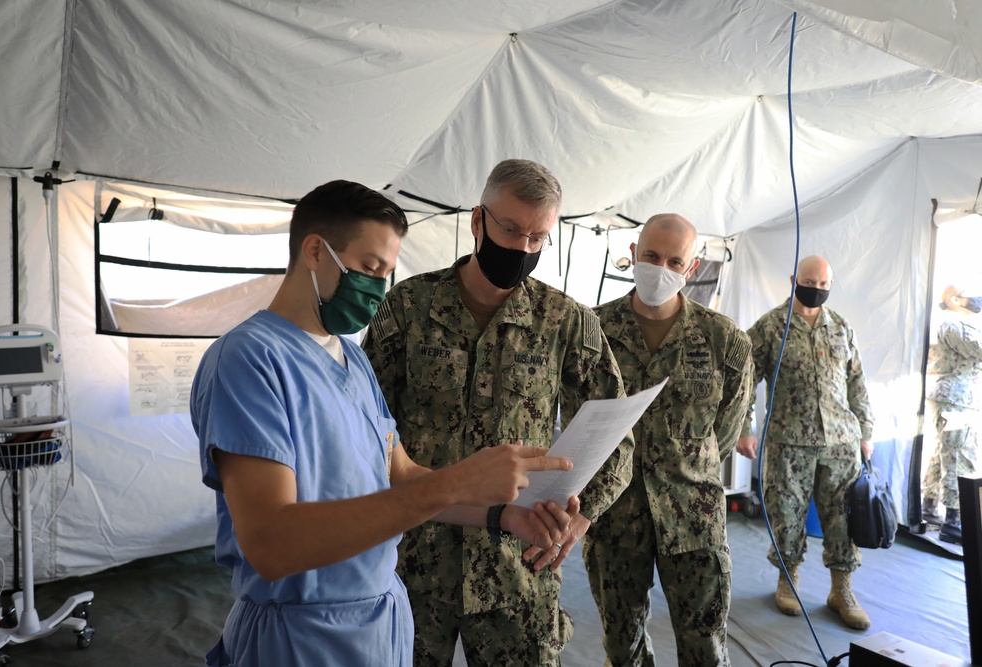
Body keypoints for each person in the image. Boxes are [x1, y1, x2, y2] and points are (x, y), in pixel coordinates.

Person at [190, 180, 578, 667]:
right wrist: (459, 480)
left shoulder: (351, 359)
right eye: (369, 268)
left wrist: (504, 515)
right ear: (315, 251)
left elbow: (403, 475)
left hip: (378, 623)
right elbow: (271, 543)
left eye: (387, 273)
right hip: (302, 636)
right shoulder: (250, 360)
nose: (377, 287)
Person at [362, 159, 634, 666]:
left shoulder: (565, 321)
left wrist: (583, 517)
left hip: (519, 567)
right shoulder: (409, 306)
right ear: (478, 220)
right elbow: (365, 428)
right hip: (416, 559)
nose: (522, 248)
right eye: (511, 229)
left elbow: (617, 433)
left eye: (538, 238)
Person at [583, 214, 753, 667]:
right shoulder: (592, 331)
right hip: (614, 518)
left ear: (691, 268)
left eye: (674, 260)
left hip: (694, 520)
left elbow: (727, 430)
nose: (660, 268)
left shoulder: (724, 340)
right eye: (652, 256)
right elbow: (577, 422)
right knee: (622, 647)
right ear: (634, 255)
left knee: (704, 650)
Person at [735, 255, 874, 630]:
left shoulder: (841, 327)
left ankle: (841, 590)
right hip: (788, 442)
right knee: (787, 514)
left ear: (830, 285)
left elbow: (857, 383)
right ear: (795, 278)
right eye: (810, 281)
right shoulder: (770, 327)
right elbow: (744, 381)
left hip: (840, 441)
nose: (816, 289)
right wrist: (744, 428)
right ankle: (788, 580)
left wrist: (866, 433)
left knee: (842, 517)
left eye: (824, 284)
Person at [923, 285, 982, 544]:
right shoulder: (955, 323)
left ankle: (930, 505)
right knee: (960, 456)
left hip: (952, 397)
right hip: (956, 399)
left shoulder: (951, 323)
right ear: (955, 299)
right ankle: (954, 521)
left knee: (942, 453)